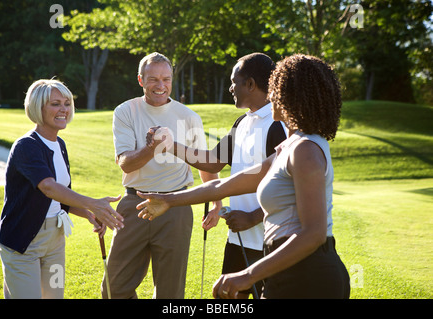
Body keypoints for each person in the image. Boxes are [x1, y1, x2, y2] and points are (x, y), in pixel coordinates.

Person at [136, 54, 350, 299]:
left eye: (276, 89)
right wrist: (169, 200)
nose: (272, 95)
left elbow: (314, 234)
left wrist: (248, 275)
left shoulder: (305, 151)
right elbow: (224, 184)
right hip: (285, 267)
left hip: (308, 275)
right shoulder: (288, 147)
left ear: (291, 97)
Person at [147, 53, 287, 299]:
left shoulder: (279, 126)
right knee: (227, 298)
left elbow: (290, 188)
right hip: (239, 239)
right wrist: (169, 144)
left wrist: (253, 217)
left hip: (272, 242)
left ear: (251, 84)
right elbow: (212, 161)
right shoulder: (242, 123)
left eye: (235, 81)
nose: (230, 87)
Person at [103, 52, 221, 299]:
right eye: (153, 79)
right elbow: (125, 163)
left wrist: (216, 202)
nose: (160, 85)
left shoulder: (189, 117)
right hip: (134, 204)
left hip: (176, 206)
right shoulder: (125, 111)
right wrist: (152, 147)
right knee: (114, 288)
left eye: (166, 79)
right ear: (140, 80)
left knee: (170, 293)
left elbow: (204, 164)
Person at [0, 79, 124, 299]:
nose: (63, 109)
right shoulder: (26, 146)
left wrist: (88, 213)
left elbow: (62, 197)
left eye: (66, 103)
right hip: (22, 243)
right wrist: (92, 203)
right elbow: (48, 187)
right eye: (55, 104)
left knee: (54, 296)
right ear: (38, 107)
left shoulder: (60, 145)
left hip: (55, 241)